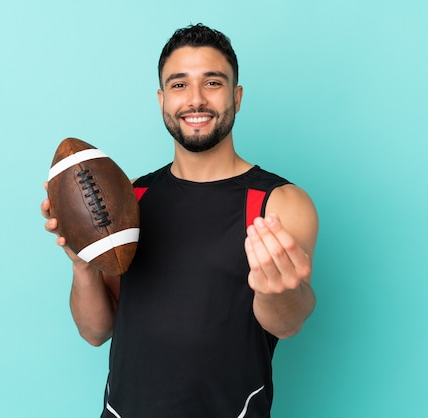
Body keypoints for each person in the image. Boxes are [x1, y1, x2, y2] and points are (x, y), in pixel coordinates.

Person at [41, 23, 318, 418]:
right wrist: (82, 263)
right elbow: (96, 331)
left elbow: (288, 322)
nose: (196, 100)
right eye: (179, 85)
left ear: (236, 97)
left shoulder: (277, 204)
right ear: (161, 99)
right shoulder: (133, 198)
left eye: (213, 83)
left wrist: (277, 290)